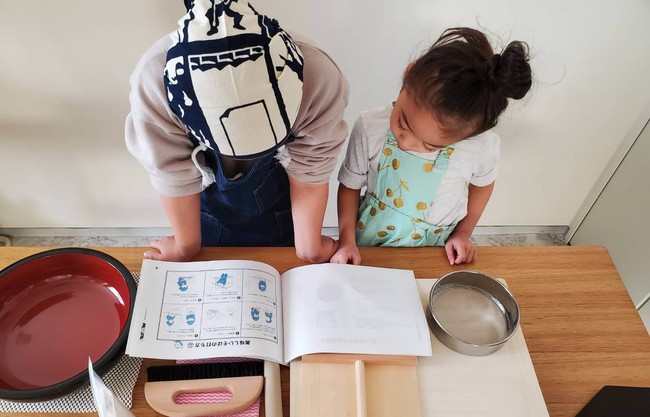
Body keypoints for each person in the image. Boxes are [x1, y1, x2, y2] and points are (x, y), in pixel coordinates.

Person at [126, 0, 349, 263]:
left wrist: (309, 247)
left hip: (283, 209)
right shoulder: (155, 84)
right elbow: (173, 171)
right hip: (208, 212)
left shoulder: (317, 76)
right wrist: (186, 245)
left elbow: (310, 167)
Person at [331, 27, 532, 265]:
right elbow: (350, 186)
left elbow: (483, 184)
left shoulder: (480, 146)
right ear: (408, 74)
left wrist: (463, 233)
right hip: (369, 244)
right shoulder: (369, 127)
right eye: (403, 122)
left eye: (430, 146)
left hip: (436, 251)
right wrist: (346, 241)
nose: (405, 142)